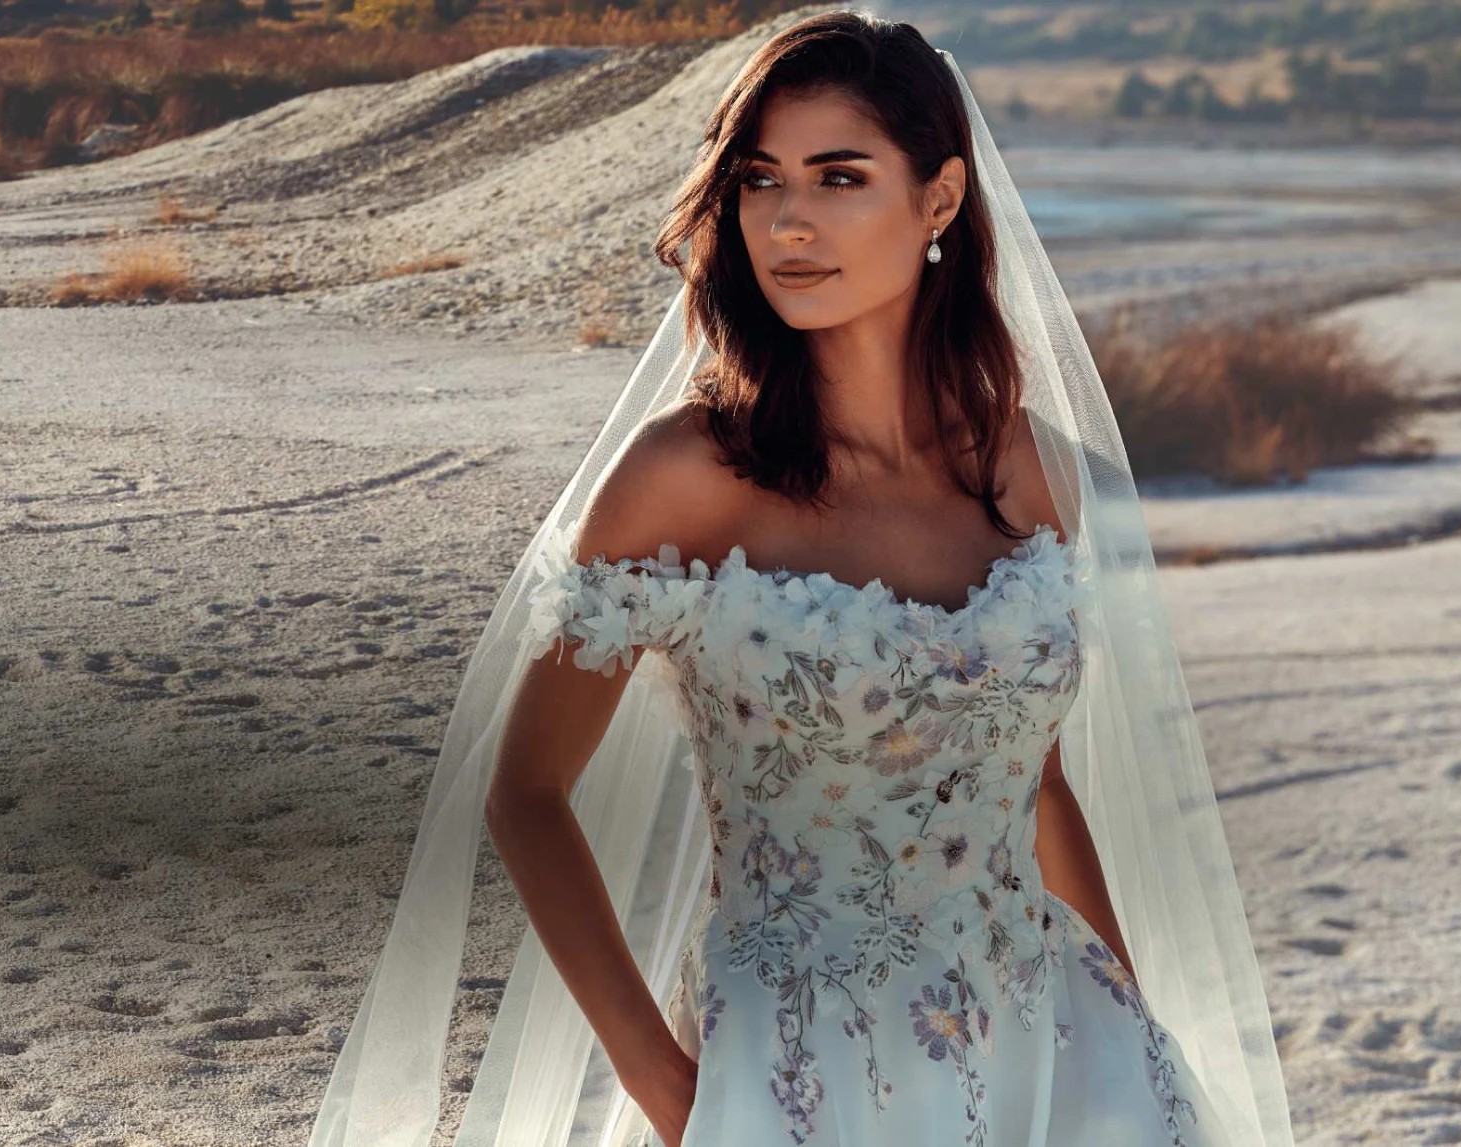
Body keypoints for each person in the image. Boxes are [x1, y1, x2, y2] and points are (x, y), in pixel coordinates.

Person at [305, 13, 1294, 1147]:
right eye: (760, 178)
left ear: (937, 200)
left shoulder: (1029, 473)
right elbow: (524, 792)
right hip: (794, 1069)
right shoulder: (684, 478)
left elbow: (1036, 783)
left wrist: (1133, 1022)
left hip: (1067, 1055)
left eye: (838, 177)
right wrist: (666, 1087)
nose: (786, 220)